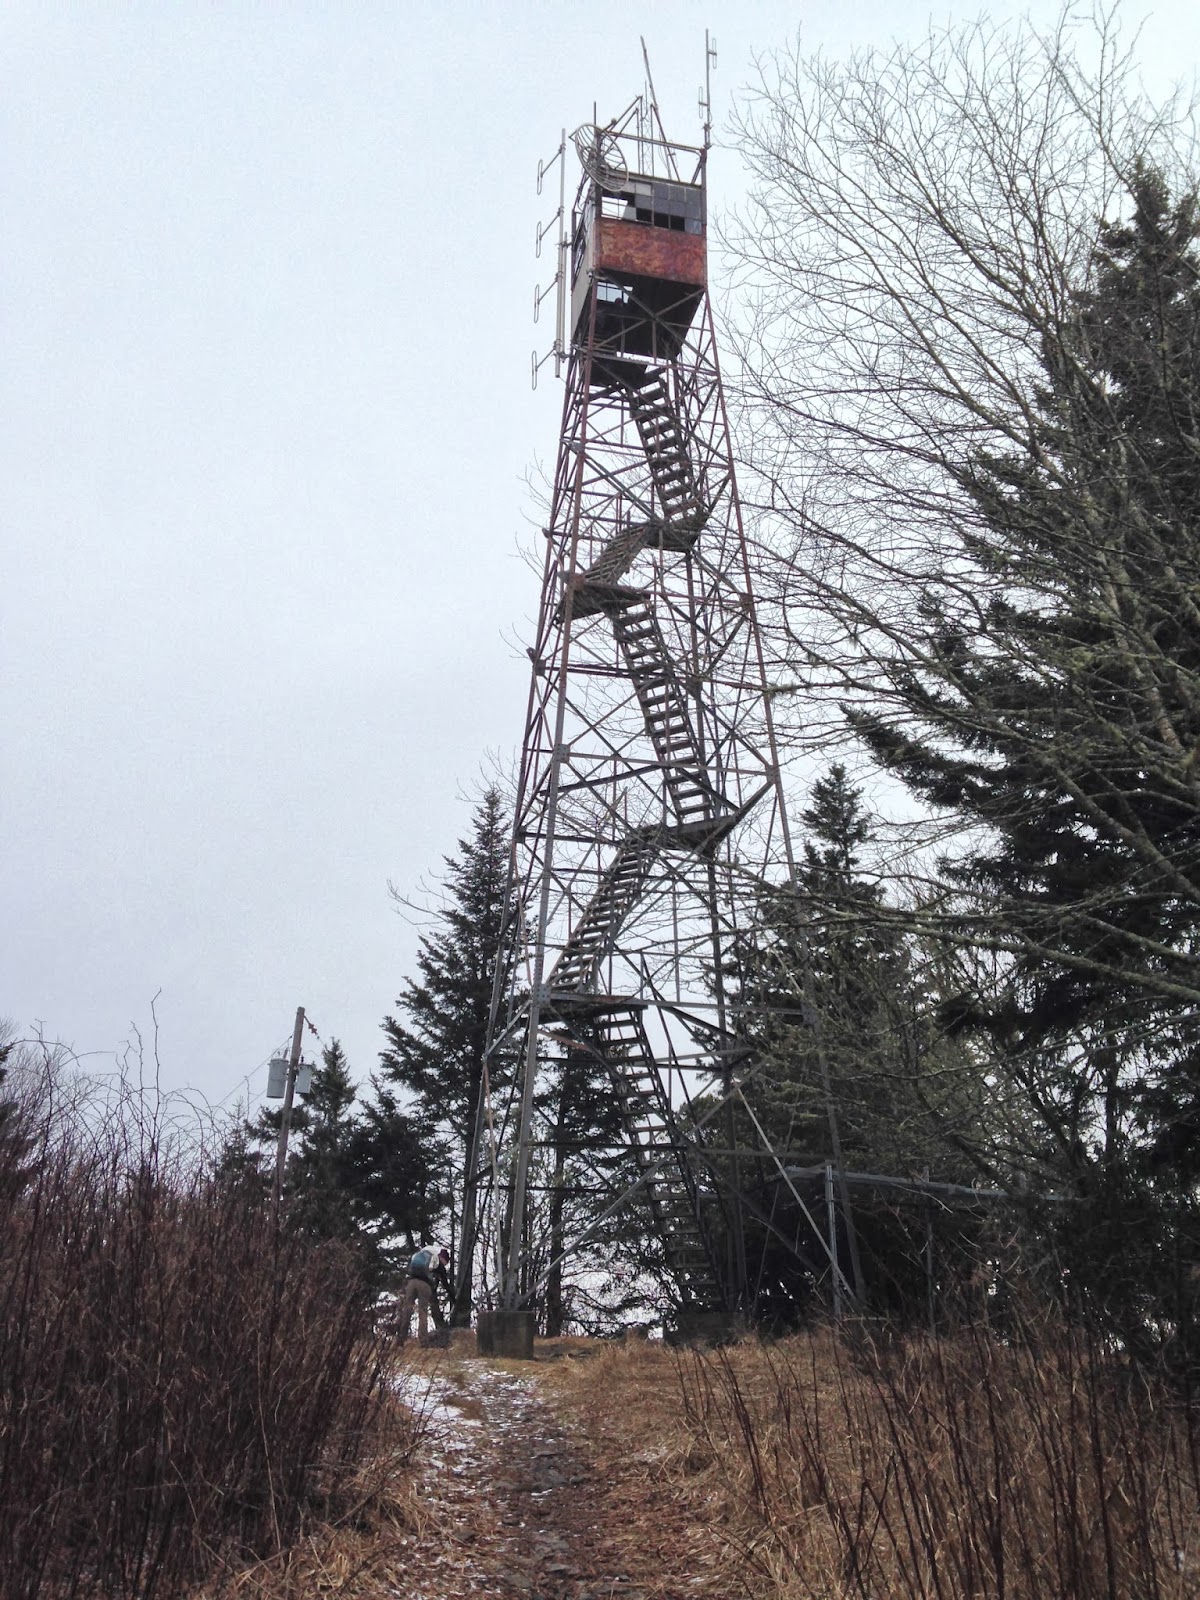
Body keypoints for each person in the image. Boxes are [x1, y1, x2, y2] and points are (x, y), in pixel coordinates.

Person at [396, 1245, 451, 1344]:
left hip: (411, 1283)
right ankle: (423, 1340)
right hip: (424, 1285)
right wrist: (453, 1297)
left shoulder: (419, 1254)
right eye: (445, 1262)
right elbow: (445, 1283)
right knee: (423, 1311)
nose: (444, 1264)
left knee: (407, 1309)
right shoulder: (437, 1261)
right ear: (442, 1258)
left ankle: (400, 1339)